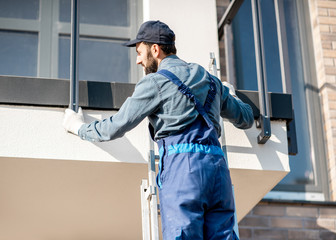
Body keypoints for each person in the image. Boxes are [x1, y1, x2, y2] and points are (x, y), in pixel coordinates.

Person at [63, 20, 253, 240]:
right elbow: (246, 118)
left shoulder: (155, 82)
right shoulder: (210, 81)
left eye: (139, 52)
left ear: (155, 49)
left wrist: (78, 127)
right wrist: (230, 92)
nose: (138, 60)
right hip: (218, 171)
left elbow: (115, 126)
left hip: (183, 171)